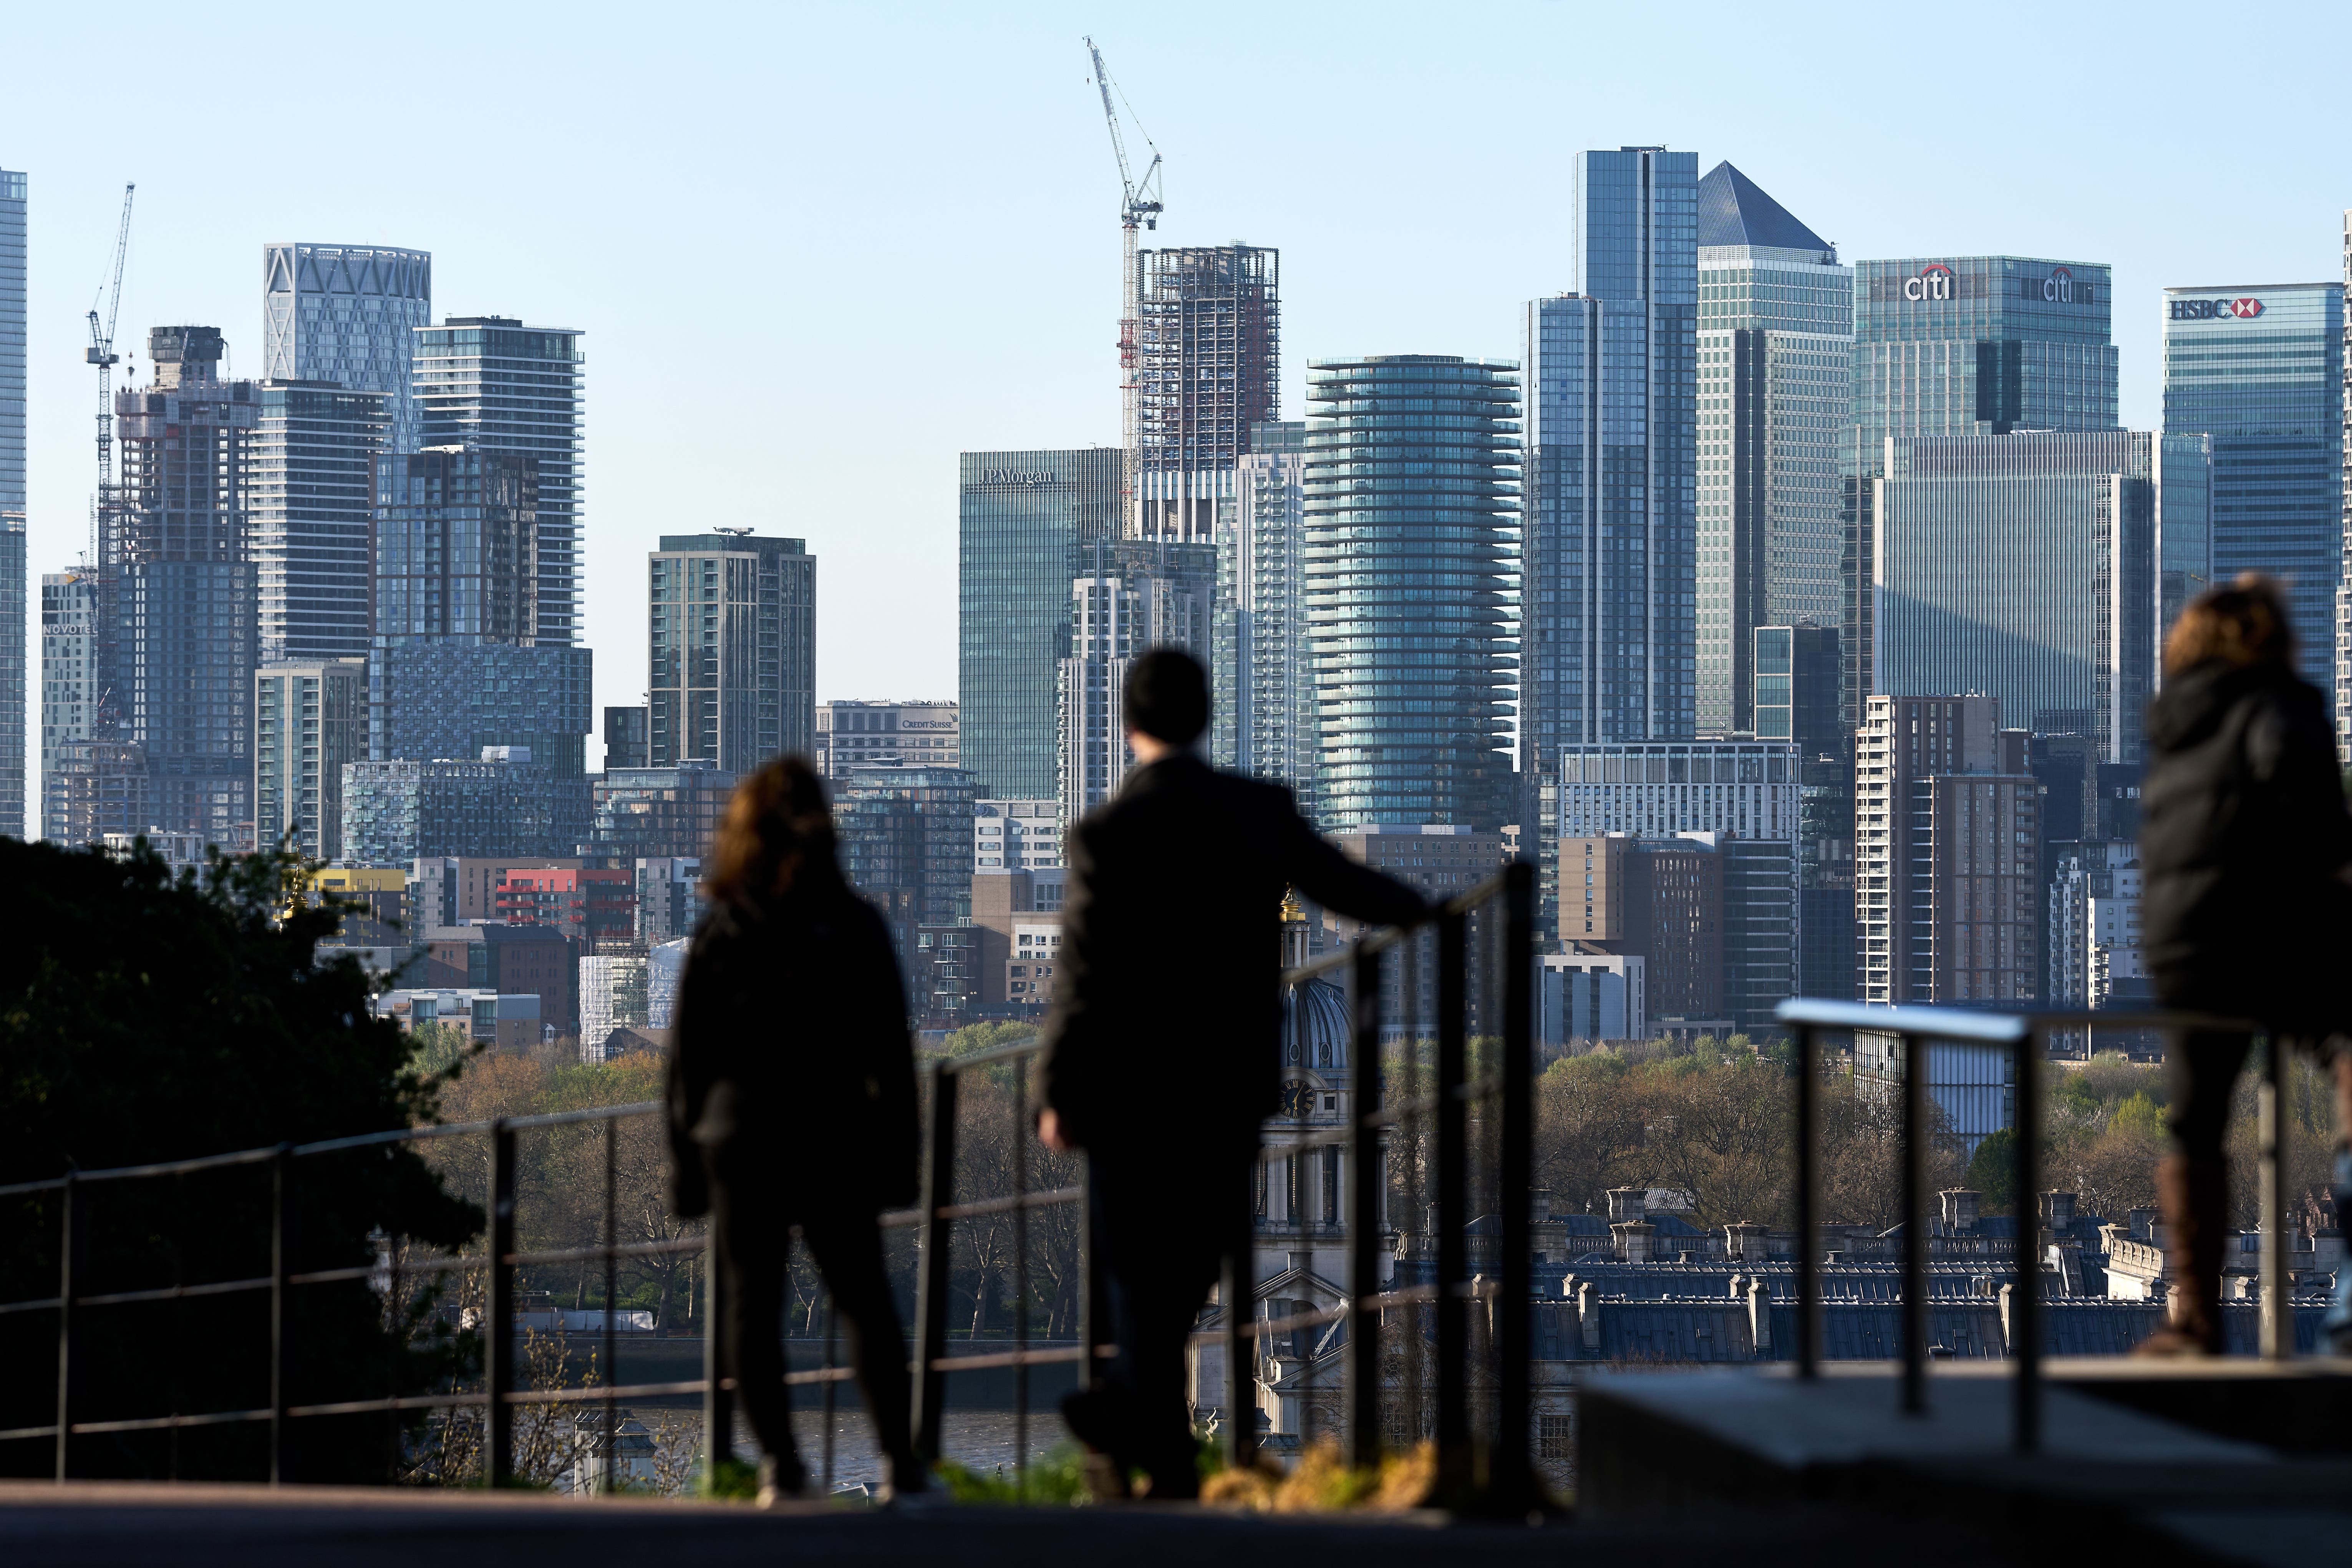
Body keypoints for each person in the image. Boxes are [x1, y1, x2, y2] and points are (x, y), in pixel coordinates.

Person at [1037, 648, 1430, 1497]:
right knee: (1185, 1273)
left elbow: (1080, 977)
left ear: (1128, 725)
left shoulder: (1106, 831)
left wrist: (1055, 1094)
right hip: (1225, 1090)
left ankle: (1129, 1417)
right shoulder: (1257, 811)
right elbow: (1348, 885)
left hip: (1129, 1094)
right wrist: (1428, 909)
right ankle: (1161, 1451)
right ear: (1205, 717)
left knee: (1138, 1269)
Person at [665, 757, 930, 1503]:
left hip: (738, 1136)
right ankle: (899, 1463)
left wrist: (684, 1164)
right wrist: (903, 1159)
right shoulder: (854, 924)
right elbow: (891, 1055)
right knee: (864, 1299)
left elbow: (687, 1060)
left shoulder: (720, 929)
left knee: (751, 1304)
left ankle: (780, 1466)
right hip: (830, 1129)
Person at [2138, 574, 2352, 1356]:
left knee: (2193, 1121)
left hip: (2178, 948)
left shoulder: (2173, 723)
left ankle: (2192, 1316)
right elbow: (2311, 817)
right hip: (2262, 934)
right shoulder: (2275, 702)